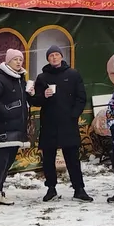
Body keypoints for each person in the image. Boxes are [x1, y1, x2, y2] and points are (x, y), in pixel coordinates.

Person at [30, 45, 91, 202]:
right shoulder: (42, 77)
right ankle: (51, 189)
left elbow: (81, 97)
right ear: (48, 59)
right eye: (51, 56)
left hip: (68, 122)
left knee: (72, 157)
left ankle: (79, 189)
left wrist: (74, 115)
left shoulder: (72, 74)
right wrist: (43, 95)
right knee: (48, 157)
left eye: (57, 55)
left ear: (62, 57)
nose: (54, 58)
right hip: (49, 122)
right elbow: (35, 100)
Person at [0, 48, 30, 208]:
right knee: (2, 160)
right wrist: (7, 112)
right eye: (15, 59)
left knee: (9, 161)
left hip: (17, 127)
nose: (19, 62)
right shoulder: (0, 79)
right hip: (3, 127)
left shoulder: (20, 79)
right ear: (8, 61)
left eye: (20, 59)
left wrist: (30, 94)